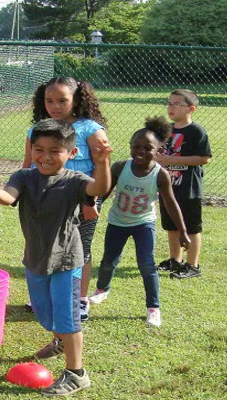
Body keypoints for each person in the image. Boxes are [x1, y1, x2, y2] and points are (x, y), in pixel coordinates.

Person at [0, 118, 112, 396]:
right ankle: (60, 341)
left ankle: (76, 374)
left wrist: (102, 162)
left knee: (68, 319)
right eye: (38, 149)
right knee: (46, 316)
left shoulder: (75, 181)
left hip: (66, 261)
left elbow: (99, 189)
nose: (45, 157)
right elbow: (9, 198)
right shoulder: (24, 177)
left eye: (54, 151)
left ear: (72, 153)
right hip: (35, 259)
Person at [89, 117, 190, 327]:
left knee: (146, 264)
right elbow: (104, 192)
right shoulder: (120, 168)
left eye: (147, 148)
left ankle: (153, 307)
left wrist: (182, 231)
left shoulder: (160, 175)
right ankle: (101, 290)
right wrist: (94, 206)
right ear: (130, 147)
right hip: (118, 222)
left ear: (158, 150)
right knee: (109, 261)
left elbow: (170, 204)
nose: (140, 151)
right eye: (136, 146)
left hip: (144, 223)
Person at [22, 76, 108, 321]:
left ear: (76, 99)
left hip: (82, 201)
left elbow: (101, 172)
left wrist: (89, 201)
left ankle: (79, 299)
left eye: (62, 100)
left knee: (81, 249)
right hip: (47, 201)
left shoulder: (90, 129)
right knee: (44, 246)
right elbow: (28, 166)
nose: (55, 106)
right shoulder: (38, 130)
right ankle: (45, 295)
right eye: (49, 100)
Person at [156, 89, 212, 279]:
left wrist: (171, 160)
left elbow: (204, 158)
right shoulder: (166, 130)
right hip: (168, 188)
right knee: (171, 225)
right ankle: (175, 260)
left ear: (191, 109)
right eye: (169, 103)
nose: (171, 107)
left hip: (188, 188)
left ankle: (193, 265)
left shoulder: (196, 131)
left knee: (191, 227)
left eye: (177, 104)